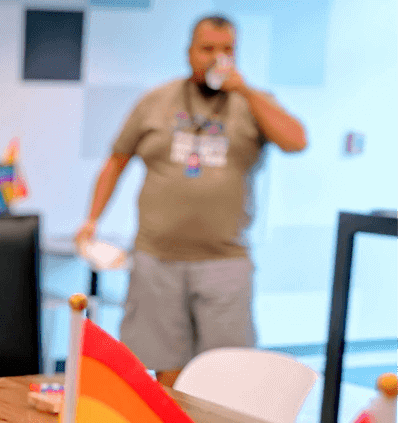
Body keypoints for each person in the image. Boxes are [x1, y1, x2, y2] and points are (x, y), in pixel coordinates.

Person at [75, 14, 307, 387]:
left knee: (226, 374)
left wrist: (247, 92)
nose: (217, 57)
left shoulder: (254, 103)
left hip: (224, 261)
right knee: (164, 371)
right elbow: (117, 160)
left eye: (227, 49)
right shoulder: (156, 100)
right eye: (208, 49)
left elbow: (296, 141)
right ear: (189, 53)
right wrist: (91, 220)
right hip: (157, 258)